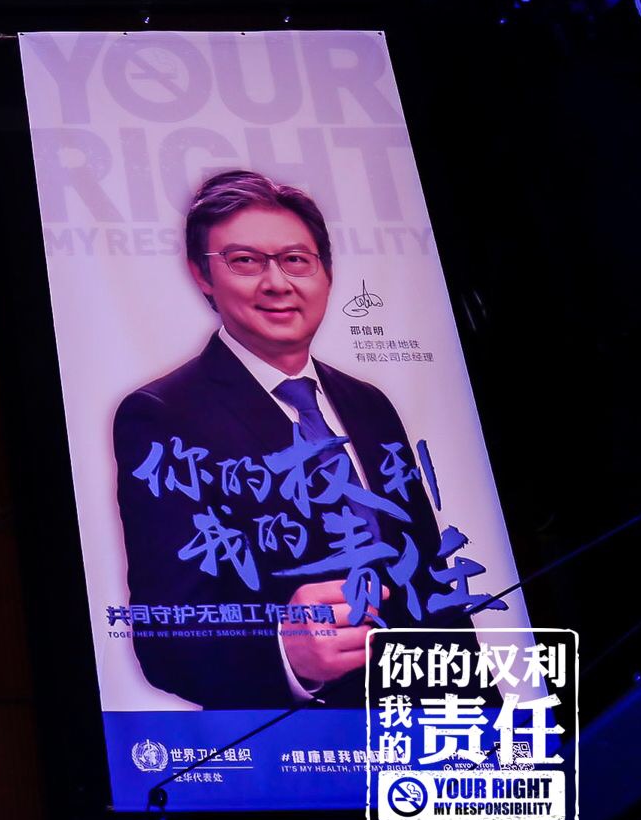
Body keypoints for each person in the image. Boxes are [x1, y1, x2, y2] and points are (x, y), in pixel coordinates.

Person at [112, 169, 469, 710]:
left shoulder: (369, 404)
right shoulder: (162, 415)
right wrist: (285, 653)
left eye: (296, 260)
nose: (277, 283)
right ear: (201, 275)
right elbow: (165, 635)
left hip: (428, 734)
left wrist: (485, 720)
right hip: (293, 743)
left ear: (326, 273)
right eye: (245, 261)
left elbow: (431, 583)